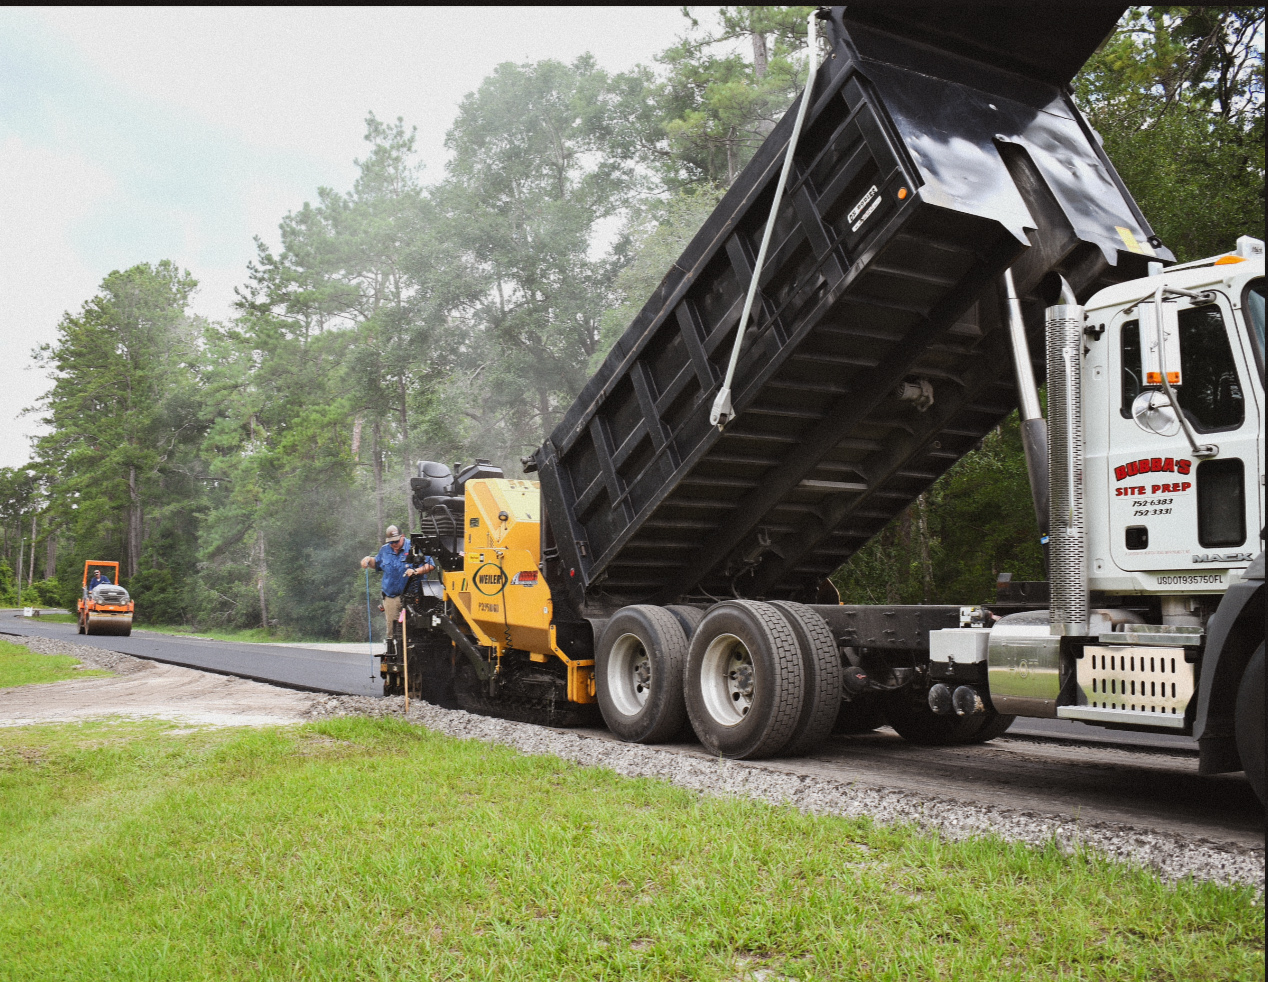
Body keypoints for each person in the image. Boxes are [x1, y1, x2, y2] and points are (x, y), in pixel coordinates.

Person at [360, 525, 434, 642]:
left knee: (413, 629)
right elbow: (377, 563)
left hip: (412, 597)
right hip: (391, 597)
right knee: (393, 630)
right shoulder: (385, 550)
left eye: (396, 541)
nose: (393, 544)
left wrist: (416, 571)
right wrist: (368, 560)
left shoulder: (415, 546)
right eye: (391, 542)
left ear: (402, 536)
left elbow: (430, 565)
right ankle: (394, 653)